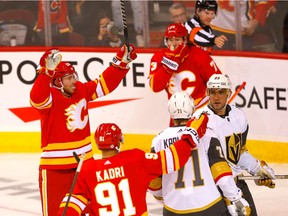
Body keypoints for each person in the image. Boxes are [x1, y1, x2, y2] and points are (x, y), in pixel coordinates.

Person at [29, 44, 137, 216]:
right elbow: (37, 98)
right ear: (58, 81)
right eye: (69, 78)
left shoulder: (81, 90)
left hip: (84, 166)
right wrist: (45, 71)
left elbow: (103, 84)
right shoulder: (50, 97)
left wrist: (121, 62)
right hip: (55, 170)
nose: (74, 81)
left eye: (74, 76)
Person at [57, 117, 209, 216]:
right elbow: (172, 158)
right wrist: (190, 136)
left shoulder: (87, 169)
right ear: (118, 141)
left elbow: (72, 205)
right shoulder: (135, 159)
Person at [148, 91, 251, 216]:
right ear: (192, 109)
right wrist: (235, 198)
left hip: (173, 210)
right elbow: (221, 171)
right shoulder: (206, 134)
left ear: (170, 112)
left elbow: (154, 182)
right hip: (208, 206)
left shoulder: (158, 140)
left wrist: (168, 198)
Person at [194, 74, 276, 215]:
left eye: (221, 92)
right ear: (207, 93)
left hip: (237, 184)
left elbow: (238, 152)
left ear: (229, 93)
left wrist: (256, 168)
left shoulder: (239, 116)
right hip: (212, 188)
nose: (216, 97)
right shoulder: (200, 119)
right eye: (212, 92)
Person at [148, 23, 222, 116]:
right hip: (177, 115)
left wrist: (203, 108)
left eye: (177, 40)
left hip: (201, 112)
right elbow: (155, 87)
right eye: (170, 40)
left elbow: (218, 83)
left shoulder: (200, 55)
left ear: (185, 40)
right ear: (166, 41)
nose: (174, 44)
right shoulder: (159, 57)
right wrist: (168, 66)